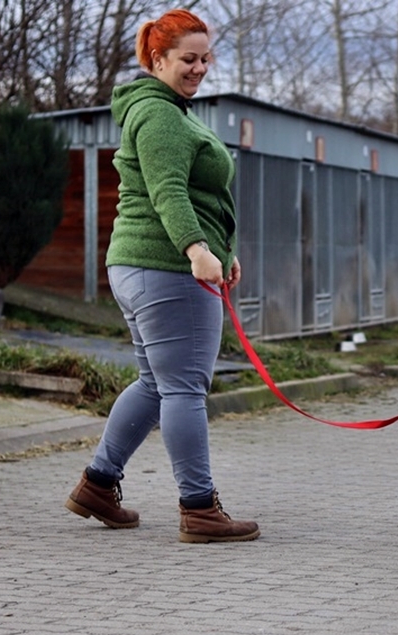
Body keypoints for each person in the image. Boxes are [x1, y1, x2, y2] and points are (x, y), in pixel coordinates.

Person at [65, 8, 259, 543]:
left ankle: (98, 484)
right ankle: (199, 508)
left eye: (205, 58)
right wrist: (197, 248)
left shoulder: (168, 111)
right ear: (158, 58)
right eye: (188, 59)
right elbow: (167, 191)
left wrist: (223, 249)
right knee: (184, 389)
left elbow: (197, 193)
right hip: (165, 267)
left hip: (145, 265)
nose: (199, 68)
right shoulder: (160, 116)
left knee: (157, 383)